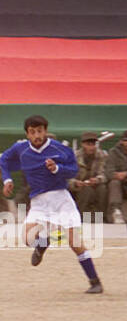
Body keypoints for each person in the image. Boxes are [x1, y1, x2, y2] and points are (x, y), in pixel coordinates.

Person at [1, 115, 103, 293]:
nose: (37, 135)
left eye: (40, 131)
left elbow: (73, 170)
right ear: (27, 134)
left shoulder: (60, 149)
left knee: (75, 243)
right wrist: (7, 180)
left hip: (61, 200)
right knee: (26, 237)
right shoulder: (21, 149)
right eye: (32, 132)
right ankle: (42, 243)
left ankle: (95, 282)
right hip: (39, 202)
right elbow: (3, 160)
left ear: (45, 131)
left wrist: (57, 169)